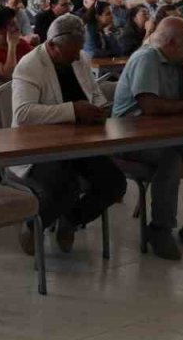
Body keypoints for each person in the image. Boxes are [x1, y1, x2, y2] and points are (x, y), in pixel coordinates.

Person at [111, 17, 183, 261]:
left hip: (166, 134)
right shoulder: (147, 58)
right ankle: (159, 229)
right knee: (170, 159)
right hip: (129, 138)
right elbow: (149, 106)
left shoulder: (176, 62)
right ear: (172, 42)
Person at [11, 14, 125, 254]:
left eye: (78, 50)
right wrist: (73, 110)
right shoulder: (30, 65)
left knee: (115, 183)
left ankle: (71, 220)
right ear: (52, 46)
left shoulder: (79, 58)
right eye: (71, 52)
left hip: (78, 142)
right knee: (66, 187)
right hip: (37, 146)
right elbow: (23, 113)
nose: (76, 56)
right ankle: (34, 226)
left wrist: (99, 107)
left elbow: (93, 94)